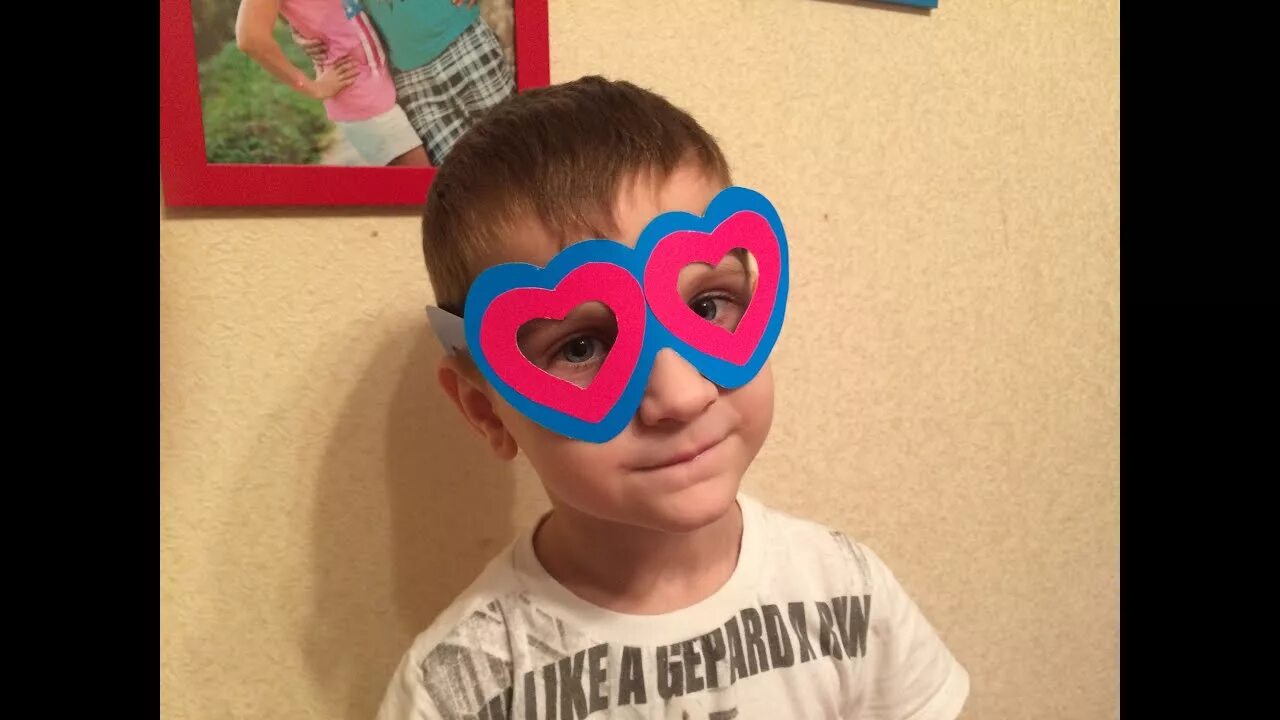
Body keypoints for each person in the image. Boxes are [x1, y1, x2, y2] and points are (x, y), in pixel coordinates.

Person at [375, 76, 970, 719]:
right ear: (486, 411)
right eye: (581, 347)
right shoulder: (461, 687)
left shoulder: (848, 594)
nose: (683, 396)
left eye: (708, 306)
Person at [235, 0, 429, 166]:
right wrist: (313, 88)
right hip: (360, 94)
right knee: (421, 187)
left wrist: (299, 29)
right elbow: (250, 38)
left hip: (395, 74)